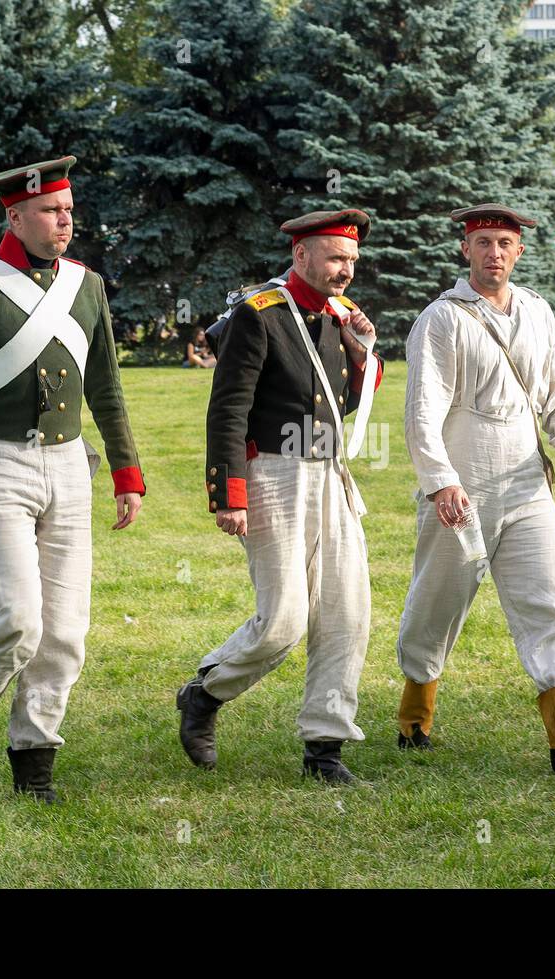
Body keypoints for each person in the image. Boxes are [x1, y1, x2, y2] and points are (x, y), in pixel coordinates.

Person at [0, 155, 146, 802]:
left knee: (66, 629)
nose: (64, 220)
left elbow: (106, 384)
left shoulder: (87, 285)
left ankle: (34, 754)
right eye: (50, 211)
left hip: (70, 464)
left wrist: (126, 470)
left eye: (69, 210)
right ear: (14, 215)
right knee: (18, 618)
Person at [394, 203, 555, 775]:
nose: (494, 253)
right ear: (466, 250)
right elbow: (421, 412)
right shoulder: (442, 318)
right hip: (462, 482)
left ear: (519, 251)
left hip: (528, 481)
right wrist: (440, 482)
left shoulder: (536, 310)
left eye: (504, 243)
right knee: (438, 602)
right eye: (483, 242)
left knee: (546, 598)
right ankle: (414, 716)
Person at [176, 208, 384, 784]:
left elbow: (346, 402)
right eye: (336, 258)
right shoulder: (258, 313)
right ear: (302, 256)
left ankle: (325, 748)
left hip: (330, 472)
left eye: (351, 261)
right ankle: (205, 692)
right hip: (273, 472)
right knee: (284, 620)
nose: (345, 271)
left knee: (347, 612)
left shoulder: (341, 316)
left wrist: (364, 347)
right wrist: (228, 493)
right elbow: (229, 407)